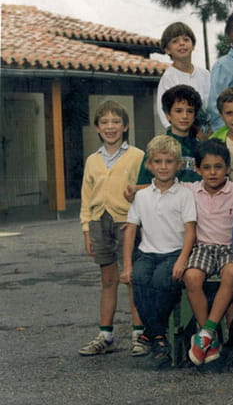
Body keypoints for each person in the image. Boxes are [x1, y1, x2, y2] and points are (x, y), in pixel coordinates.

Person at [121, 135, 197, 365]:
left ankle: (152, 333)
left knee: (163, 281)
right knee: (139, 278)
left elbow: (190, 231)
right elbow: (130, 231)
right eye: (158, 162)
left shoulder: (185, 195)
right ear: (149, 165)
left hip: (174, 253)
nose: (163, 167)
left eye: (169, 162)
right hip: (147, 253)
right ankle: (159, 335)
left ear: (178, 165)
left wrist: (182, 259)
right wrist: (127, 265)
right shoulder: (142, 196)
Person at [78, 101, 146, 357]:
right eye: (104, 122)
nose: (110, 127)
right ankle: (105, 335)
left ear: (125, 126)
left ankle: (139, 334)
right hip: (99, 222)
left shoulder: (137, 156)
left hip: (127, 222)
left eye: (116, 122)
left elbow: (146, 189)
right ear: (97, 127)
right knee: (108, 280)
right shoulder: (92, 160)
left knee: (131, 278)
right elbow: (86, 197)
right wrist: (87, 229)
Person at [182, 139, 233, 366]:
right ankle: (210, 336)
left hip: (229, 247)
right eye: (206, 167)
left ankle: (207, 332)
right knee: (192, 276)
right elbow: (165, 184)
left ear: (228, 168)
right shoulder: (190, 190)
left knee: (231, 272)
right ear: (198, 169)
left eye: (218, 167)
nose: (212, 172)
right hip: (203, 247)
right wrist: (133, 190)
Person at [135, 85, 203, 189]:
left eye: (190, 111)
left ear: (195, 115)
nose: (185, 116)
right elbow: (142, 186)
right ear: (168, 115)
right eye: (179, 111)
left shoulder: (201, 148)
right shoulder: (157, 147)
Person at [155, 22, 211, 133]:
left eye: (186, 39)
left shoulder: (205, 75)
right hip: (182, 134)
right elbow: (165, 113)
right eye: (175, 41)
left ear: (193, 45)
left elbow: (212, 105)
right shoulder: (168, 78)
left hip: (208, 133)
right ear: (167, 50)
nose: (181, 43)